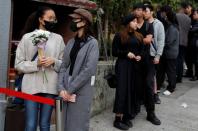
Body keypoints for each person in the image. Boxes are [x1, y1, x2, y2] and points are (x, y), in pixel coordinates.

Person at [15, 7, 65, 131]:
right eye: (50, 18)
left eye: (54, 18)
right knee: (31, 125)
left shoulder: (58, 39)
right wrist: (35, 64)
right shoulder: (27, 38)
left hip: (50, 87)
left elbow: (64, 65)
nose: (53, 21)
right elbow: (18, 64)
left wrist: (54, 61)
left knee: (44, 124)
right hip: (31, 86)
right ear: (41, 20)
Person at [57, 8, 99, 131]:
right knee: (64, 123)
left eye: (75, 19)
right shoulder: (71, 42)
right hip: (66, 87)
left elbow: (88, 70)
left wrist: (70, 90)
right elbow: (64, 66)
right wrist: (61, 88)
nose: (73, 22)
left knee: (78, 123)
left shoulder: (93, 43)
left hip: (81, 88)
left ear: (84, 22)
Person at [112, 14, 144, 130]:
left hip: (135, 67)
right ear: (128, 23)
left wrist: (140, 56)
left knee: (132, 90)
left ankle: (127, 116)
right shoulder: (119, 35)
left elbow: (142, 50)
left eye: (137, 21)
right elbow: (114, 51)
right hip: (123, 66)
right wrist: (126, 54)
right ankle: (118, 119)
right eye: (134, 21)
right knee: (122, 91)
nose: (137, 23)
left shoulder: (139, 36)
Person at [133, 3, 161, 125]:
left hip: (148, 60)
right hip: (135, 61)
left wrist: (136, 40)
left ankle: (151, 113)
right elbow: (128, 40)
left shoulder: (149, 25)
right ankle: (135, 108)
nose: (140, 12)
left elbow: (149, 40)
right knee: (137, 85)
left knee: (149, 85)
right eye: (138, 9)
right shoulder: (131, 25)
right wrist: (142, 40)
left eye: (142, 10)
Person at [143, 3, 165, 104]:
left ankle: (154, 94)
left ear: (152, 12)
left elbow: (161, 41)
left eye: (146, 11)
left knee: (152, 76)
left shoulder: (158, 24)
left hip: (152, 53)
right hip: (142, 54)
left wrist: (158, 55)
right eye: (143, 11)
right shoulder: (141, 23)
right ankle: (145, 96)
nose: (144, 13)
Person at [157, 5, 179, 95]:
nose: (164, 18)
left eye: (166, 17)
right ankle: (158, 86)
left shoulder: (173, 28)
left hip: (170, 53)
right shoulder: (170, 27)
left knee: (170, 71)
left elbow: (168, 41)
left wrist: (160, 44)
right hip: (166, 53)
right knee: (161, 70)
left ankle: (171, 87)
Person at [176, 3, 191, 83]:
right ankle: (180, 77)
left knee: (177, 59)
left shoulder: (177, 16)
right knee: (181, 59)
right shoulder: (188, 18)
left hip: (177, 40)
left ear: (181, 7)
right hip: (185, 41)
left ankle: (177, 77)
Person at [188, 9, 198, 81]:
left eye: (195, 14)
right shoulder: (194, 21)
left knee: (196, 60)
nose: (193, 15)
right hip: (194, 43)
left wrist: (191, 28)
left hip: (196, 44)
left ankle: (196, 75)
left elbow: (192, 30)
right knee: (195, 60)